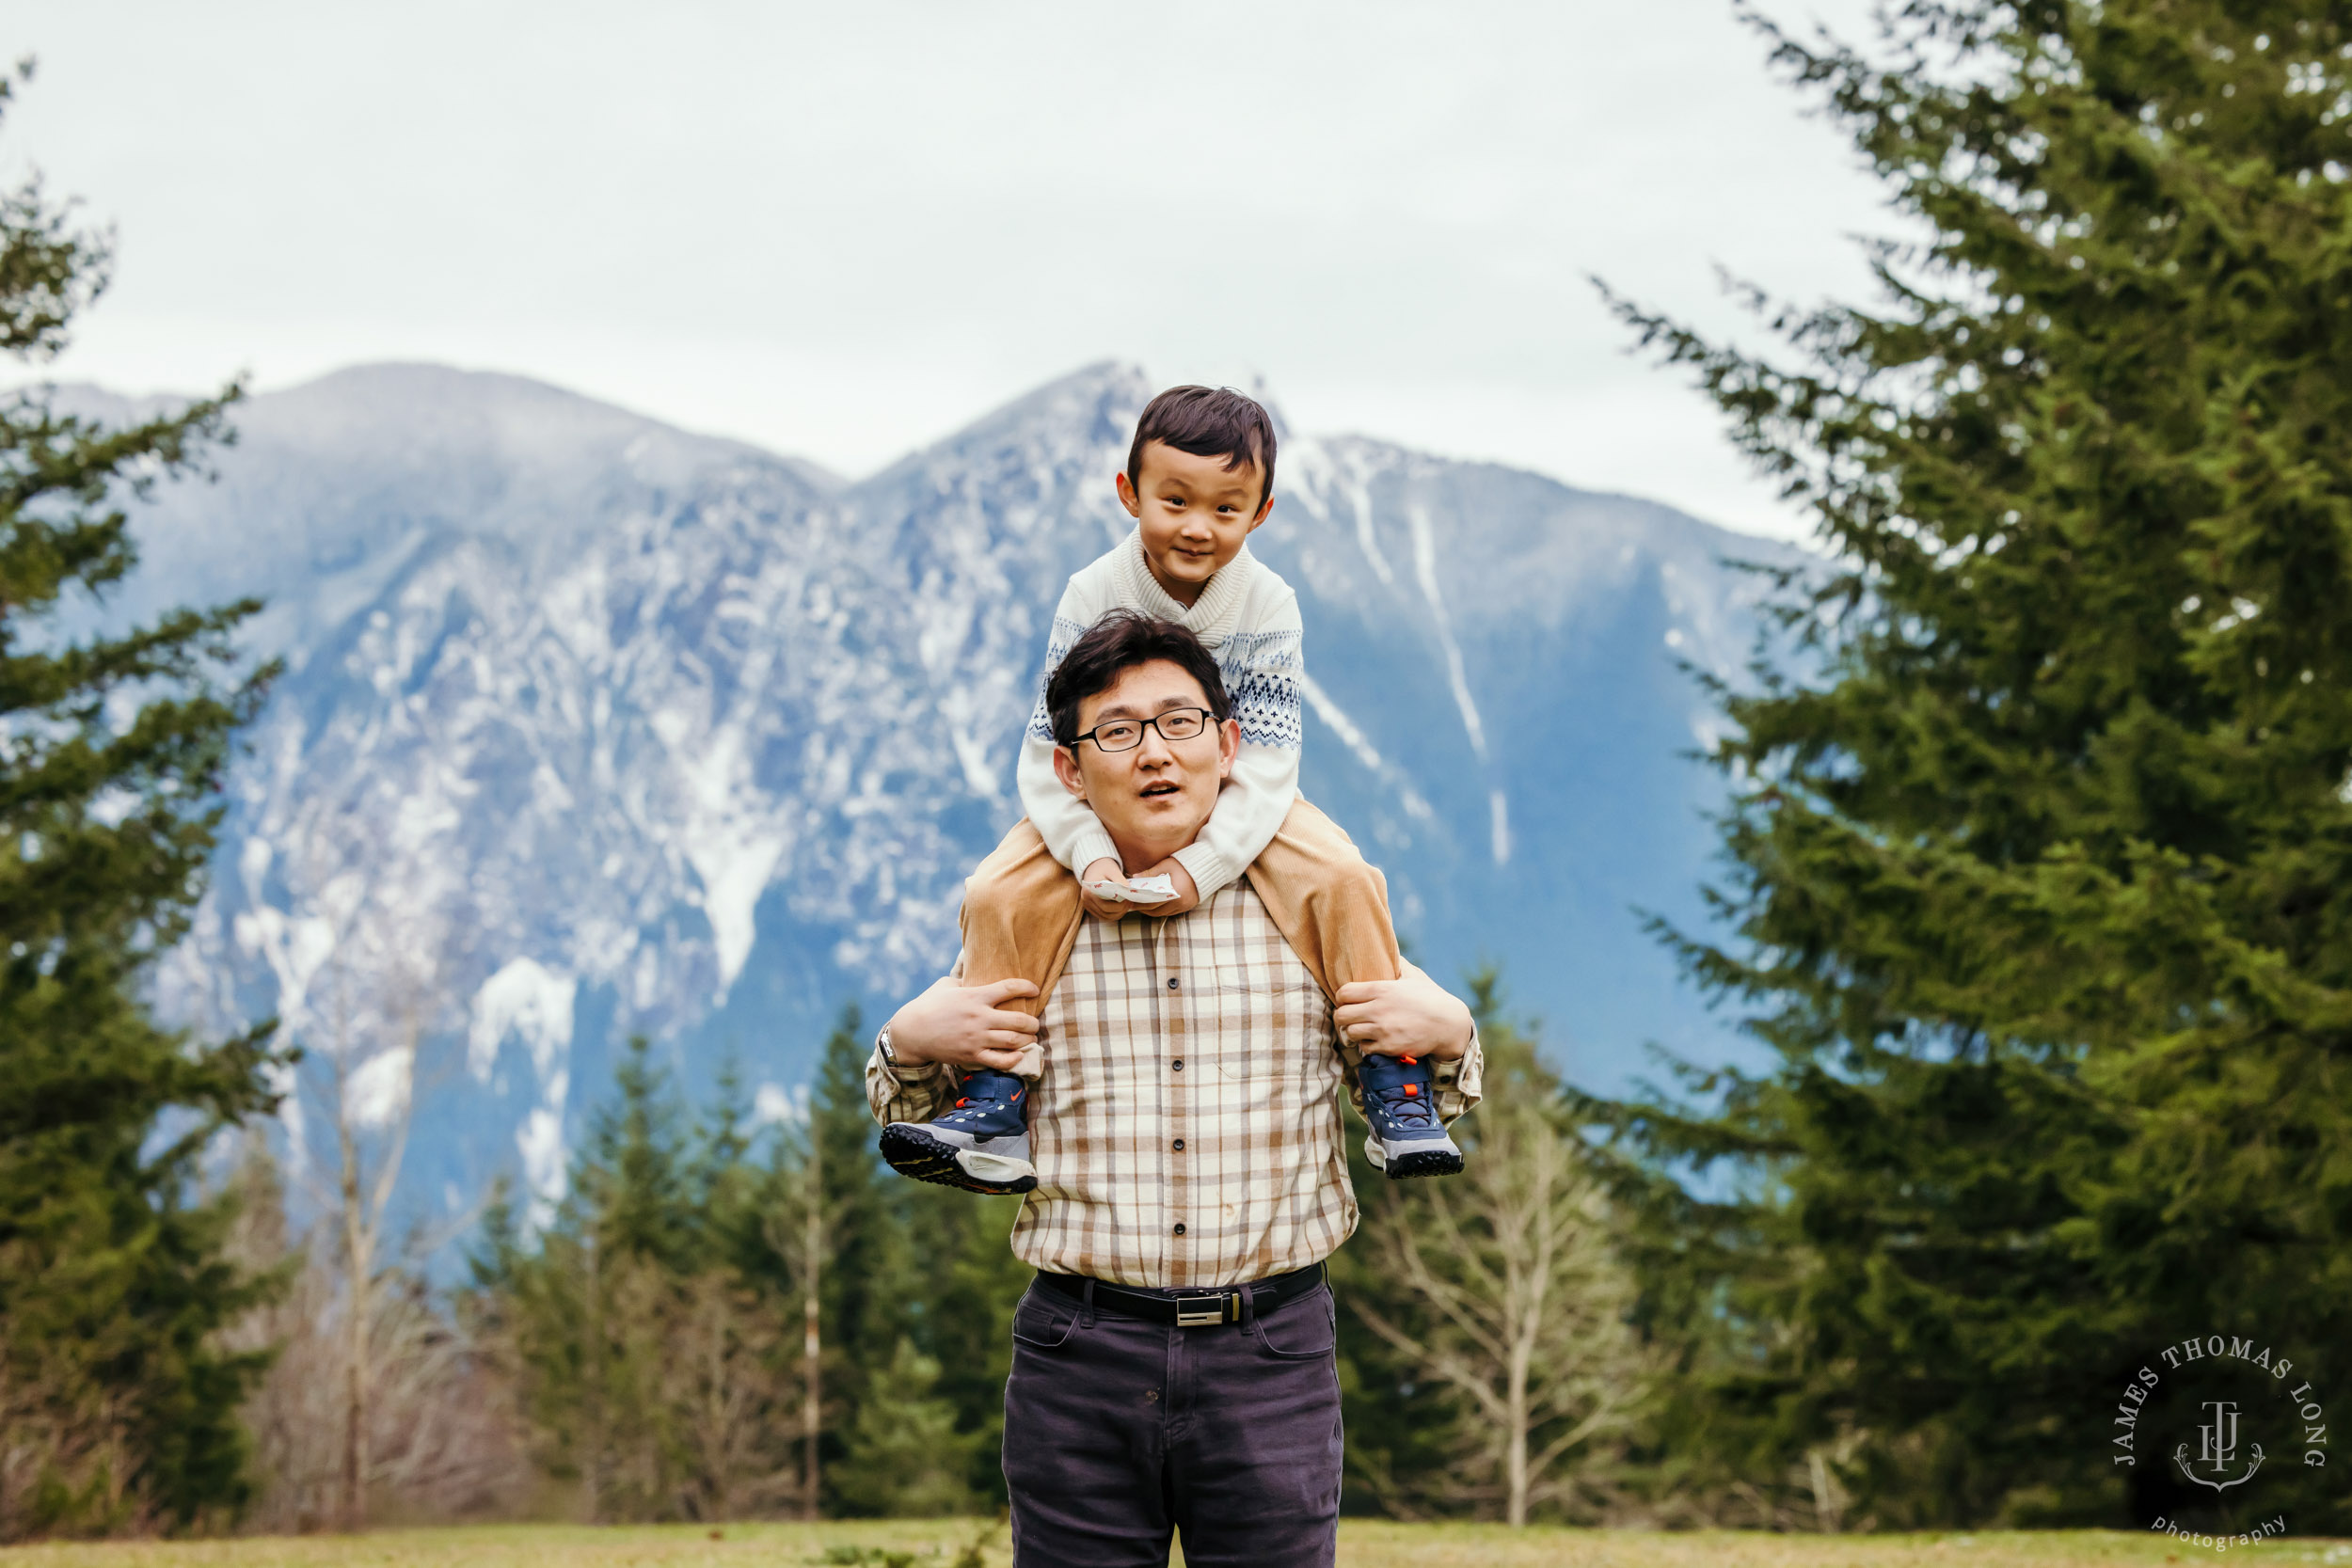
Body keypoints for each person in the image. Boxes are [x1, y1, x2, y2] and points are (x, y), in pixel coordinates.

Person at [865, 612, 1482, 1566]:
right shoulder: (1032, 916)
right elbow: (921, 1122)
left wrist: (1454, 1035)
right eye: (1116, 730)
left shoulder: (1305, 900)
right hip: (1080, 1348)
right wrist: (905, 1039)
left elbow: (1406, 1075)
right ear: (1070, 770)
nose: (1153, 753)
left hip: (1271, 1350)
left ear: (1229, 746)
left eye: (1179, 722)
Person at [878, 384, 1463, 1196]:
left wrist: (1206, 865)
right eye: (1176, 499)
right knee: (999, 891)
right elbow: (1049, 746)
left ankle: (1394, 1082)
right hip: (1094, 797)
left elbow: (1267, 758)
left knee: (1345, 878)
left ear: (1260, 513)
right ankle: (993, 1095)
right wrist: (1085, 854)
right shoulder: (1092, 591)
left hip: (1245, 793)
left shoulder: (1268, 602)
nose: (1198, 525)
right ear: (1130, 494)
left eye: (1227, 508)